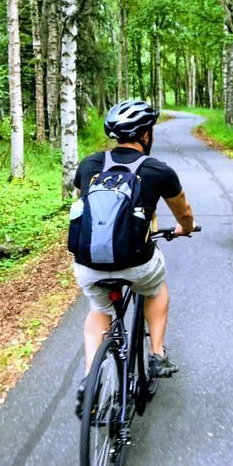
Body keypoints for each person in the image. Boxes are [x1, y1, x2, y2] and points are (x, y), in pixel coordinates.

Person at [72, 100, 195, 417]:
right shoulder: (157, 170)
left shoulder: (89, 164)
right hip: (136, 262)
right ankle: (156, 353)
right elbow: (184, 213)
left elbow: (82, 207)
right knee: (156, 288)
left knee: (99, 309)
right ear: (145, 134)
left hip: (89, 263)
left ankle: (90, 379)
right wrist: (185, 229)